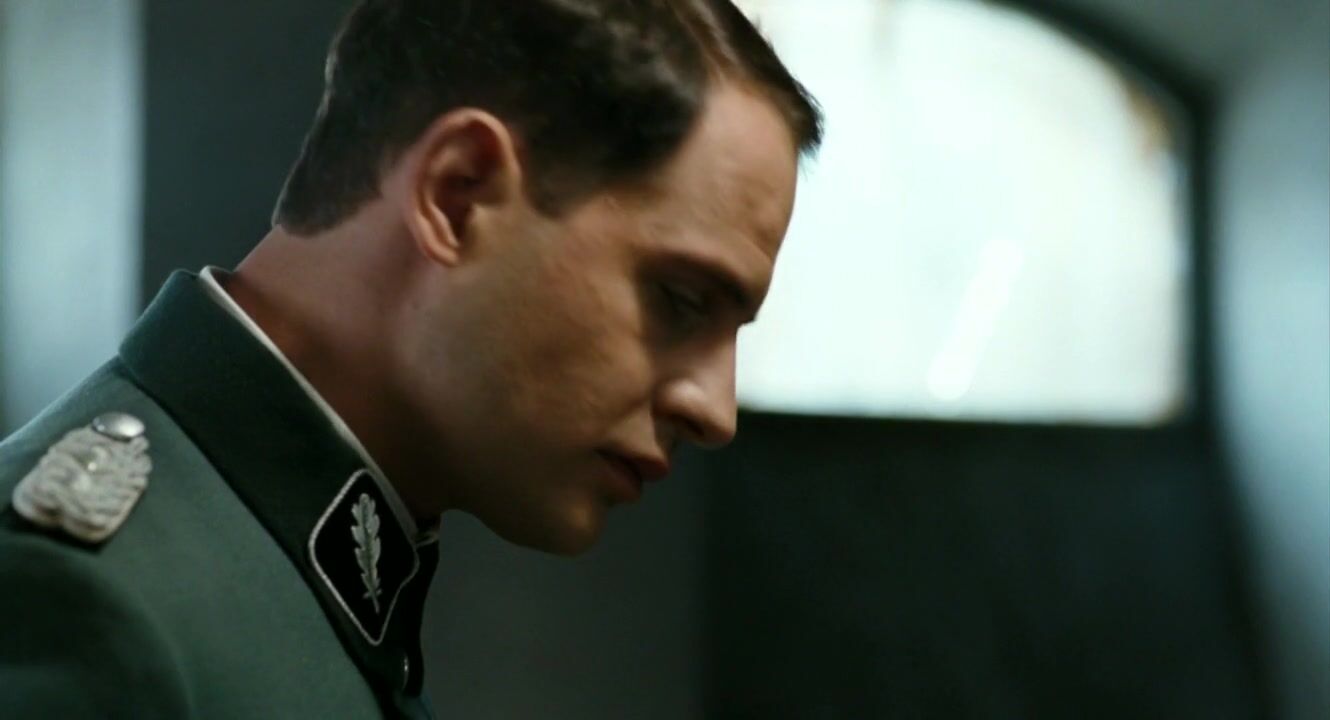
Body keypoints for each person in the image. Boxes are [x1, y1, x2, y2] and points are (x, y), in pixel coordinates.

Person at [0, 0, 821, 717]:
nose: (715, 411)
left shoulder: (287, 572)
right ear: (456, 195)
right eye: (682, 300)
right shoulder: (83, 607)